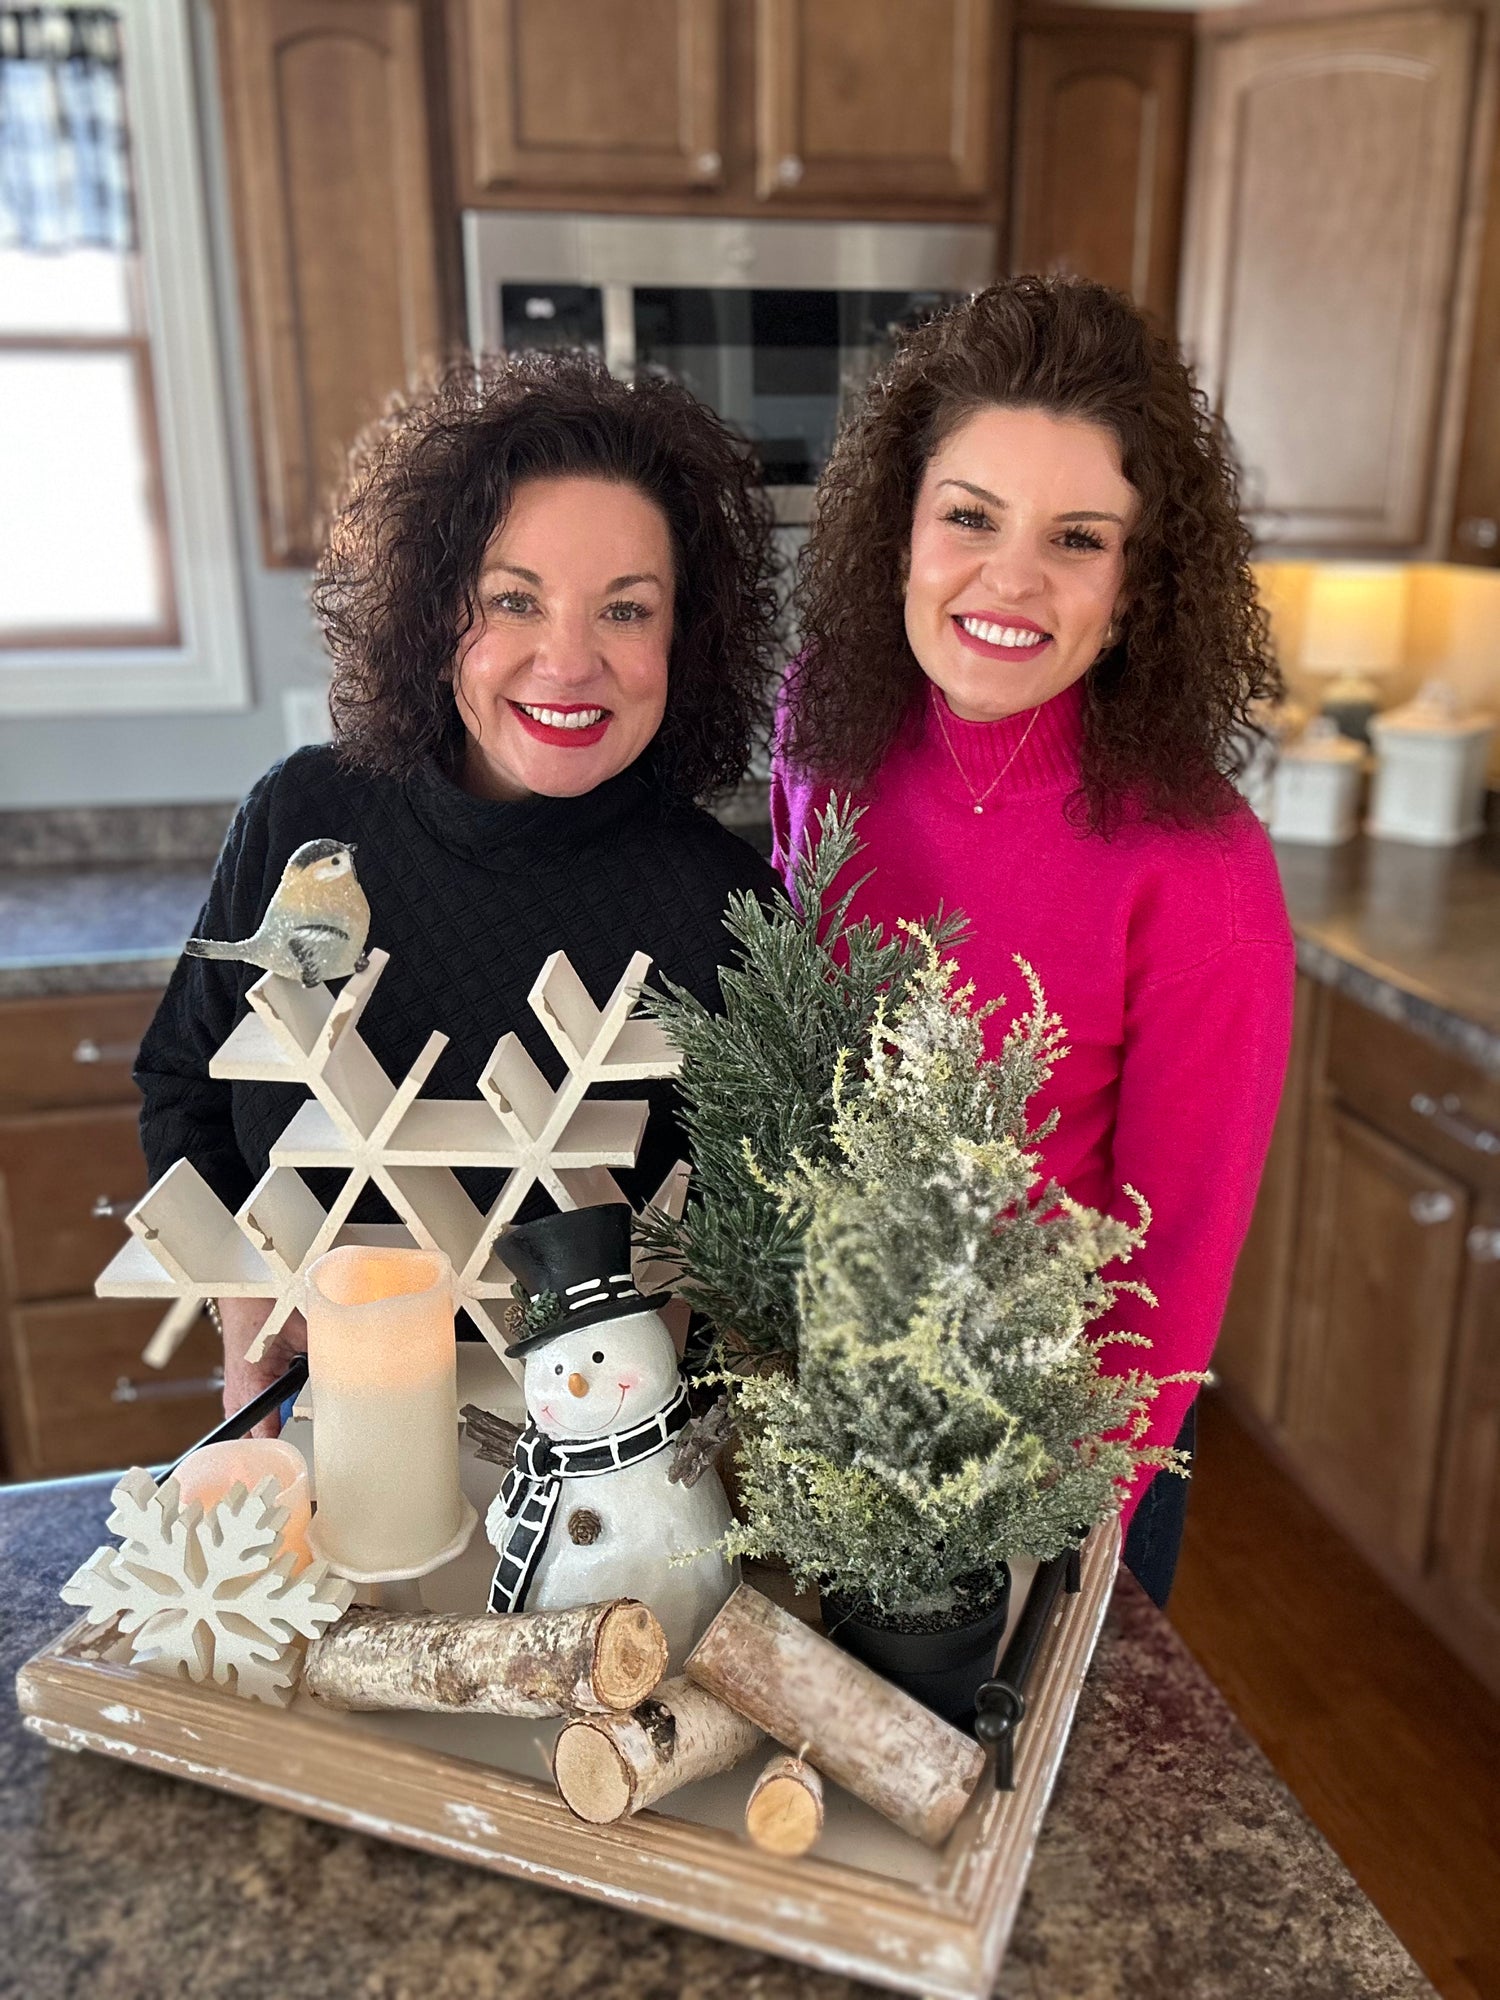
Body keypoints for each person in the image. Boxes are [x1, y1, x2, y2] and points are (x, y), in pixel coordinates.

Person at [138, 350, 783, 1430]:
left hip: (598, 1481)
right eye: (514, 600)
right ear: (441, 616)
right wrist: (246, 1322)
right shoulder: (306, 821)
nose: (568, 661)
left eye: (625, 610)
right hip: (323, 1428)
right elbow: (182, 1084)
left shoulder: (718, 906)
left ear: (686, 636)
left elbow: (739, 1256)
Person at [771, 277, 1295, 1605]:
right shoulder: (825, 720)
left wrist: (1055, 1543)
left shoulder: (1200, 866)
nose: (1009, 579)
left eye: (1077, 538)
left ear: (1137, 586)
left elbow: (1168, 1269)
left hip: (1045, 1459)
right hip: (817, 1407)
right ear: (902, 526)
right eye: (969, 517)